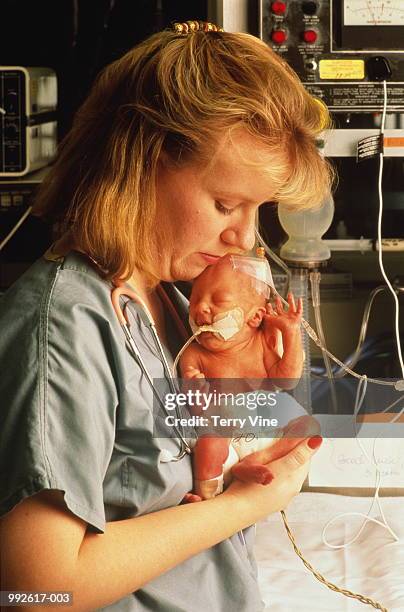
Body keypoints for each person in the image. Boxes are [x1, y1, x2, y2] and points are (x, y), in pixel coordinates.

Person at [0, 21, 332, 612]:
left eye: (258, 209)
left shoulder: (170, 300)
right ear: (140, 163)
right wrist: (246, 505)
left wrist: (269, 402)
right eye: (226, 203)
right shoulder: (63, 332)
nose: (244, 236)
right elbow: (36, 588)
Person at [179, 253, 307, 500]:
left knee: (308, 427)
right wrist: (196, 391)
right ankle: (208, 495)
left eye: (219, 300)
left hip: (267, 429)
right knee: (209, 441)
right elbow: (197, 409)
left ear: (255, 317)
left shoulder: (263, 341)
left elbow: (287, 380)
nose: (201, 308)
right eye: (193, 300)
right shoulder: (194, 353)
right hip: (227, 439)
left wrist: (291, 333)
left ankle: (256, 462)